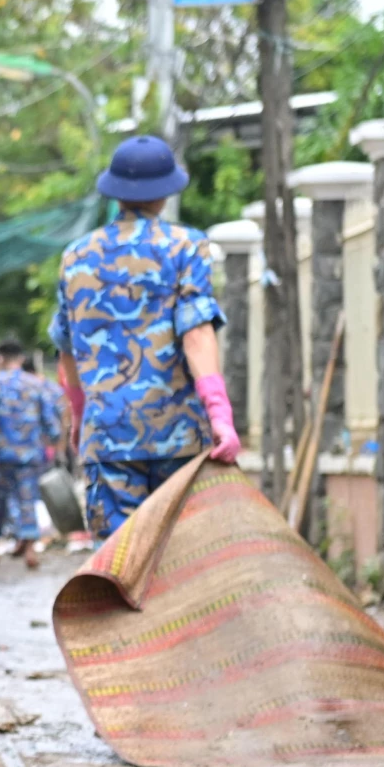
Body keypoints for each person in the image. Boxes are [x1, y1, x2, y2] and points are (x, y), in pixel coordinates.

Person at [52, 136, 241, 540]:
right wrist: (220, 415)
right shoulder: (186, 246)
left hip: (107, 437)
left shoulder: (75, 256)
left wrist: (81, 416)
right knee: (181, 562)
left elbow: (66, 352)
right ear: (167, 191)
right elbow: (196, 334)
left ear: (115, 191)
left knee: (118, 566)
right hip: (179, 439)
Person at [0, 339, 60, 569]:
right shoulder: (36, 385)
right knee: (27, 501)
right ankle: (31, 549)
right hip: (29, 454)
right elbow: (50, 422)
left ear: (0, 359)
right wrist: (53, 440)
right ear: (22, 359)